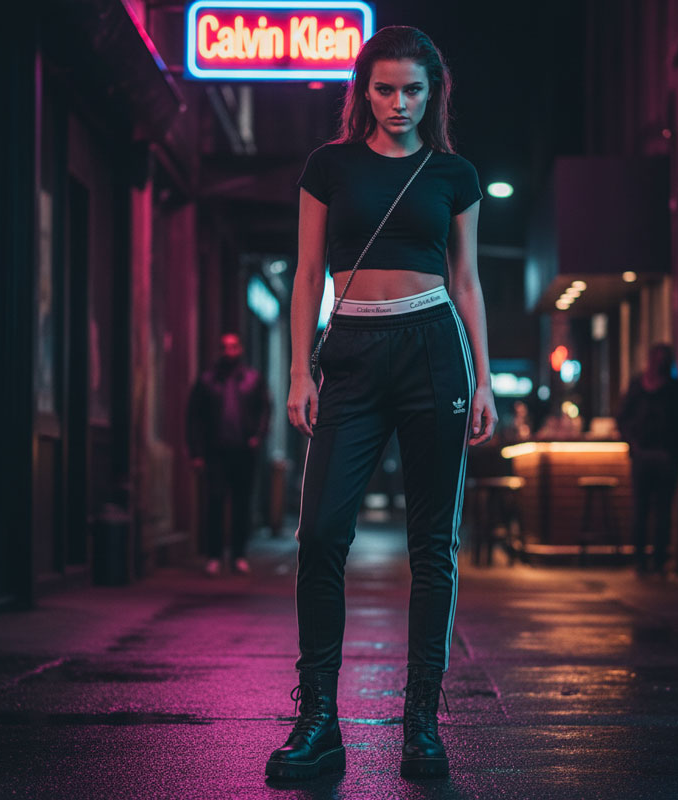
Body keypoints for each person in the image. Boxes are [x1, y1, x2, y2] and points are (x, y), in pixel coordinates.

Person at [265, 26, 497, 781]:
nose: (399, 104)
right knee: (322, 532)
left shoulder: (453, 174)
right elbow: (306, 276)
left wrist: (486, 378)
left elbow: (466, 282)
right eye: (386, 88)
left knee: (434, 546)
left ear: (434, 95)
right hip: (354, 353)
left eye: (413, 90)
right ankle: (319, 722)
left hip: (435, 348)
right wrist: (300, 370)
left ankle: (422, 728)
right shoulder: (327, 167)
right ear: (363, 90)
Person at [186, 333, 271, 576]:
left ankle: (239, 555)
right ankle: (213, 555)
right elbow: (194, 417)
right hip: (216, 451)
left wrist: (257, 436)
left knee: (241, 505)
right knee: (214, 503)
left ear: (240, 349)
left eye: (233, 346)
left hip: (244, 451)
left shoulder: (253, 380)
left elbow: (265, 408)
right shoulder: (207, 381)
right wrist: (196, 451)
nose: (229, 351)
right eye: (225, 347)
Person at [617, 343, 678, 576]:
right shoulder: (639, 387)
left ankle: (658, 560)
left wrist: (677, 452)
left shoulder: (676, 390)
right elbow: (622, 418)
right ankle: (642, 560)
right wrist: (633, 443)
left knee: (662, 511)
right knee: (642, 510)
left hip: (665, 456)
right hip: (644, 456)